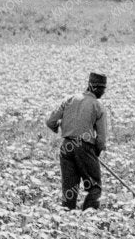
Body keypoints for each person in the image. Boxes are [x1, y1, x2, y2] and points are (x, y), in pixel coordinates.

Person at [46, 70, 110, 210]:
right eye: (102, 89)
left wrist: (59, 127)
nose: (103, 92)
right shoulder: (98, 106)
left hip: (66, 147)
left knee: (70, 190)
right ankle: (88, 219)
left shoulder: (70, 99)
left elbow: (51, 121)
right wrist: (95, 153)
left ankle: (67, 221)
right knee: (94, 188)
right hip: (84, 148)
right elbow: (101, 140)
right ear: (95, 87)